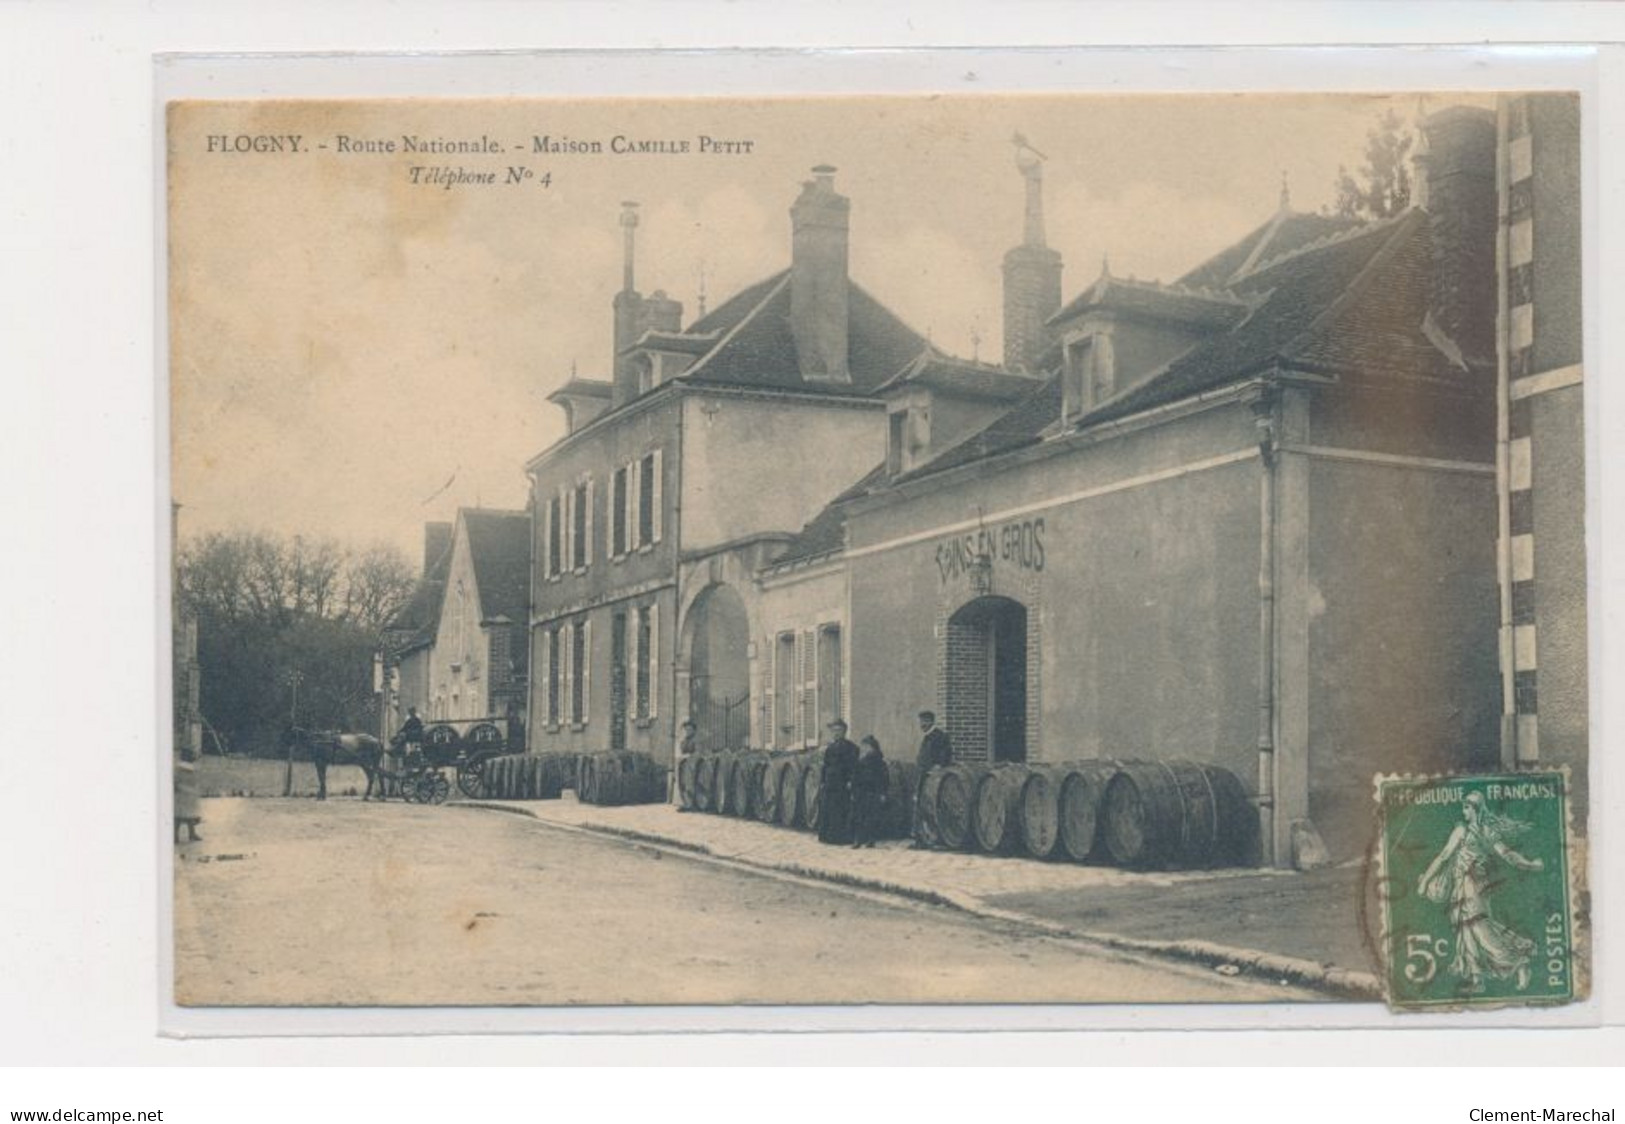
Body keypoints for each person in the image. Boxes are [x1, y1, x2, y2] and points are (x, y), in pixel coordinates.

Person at [1415, 790, 1544, 994]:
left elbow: (1444, 857)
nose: (1463, 810)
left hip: (1472, 886)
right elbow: (1445, 856)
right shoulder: (1477, 831)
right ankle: (1477, 980)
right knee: (1466, 929)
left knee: (1480, 929)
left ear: (1474, 809)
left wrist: (1529, 864)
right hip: (1464, 886)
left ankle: (1518, 961)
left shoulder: (1472, 831)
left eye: (1466, 807)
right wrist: (1529, 864)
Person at [816, 719, 860, 846]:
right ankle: (828, 837)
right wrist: (823, 781)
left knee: (841, 810)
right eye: (834, 731)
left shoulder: (851, 748)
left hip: (842, 783)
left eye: (838, 730)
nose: (836, 733)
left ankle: (841, 837)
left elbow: (854, 767)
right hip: (831, 783)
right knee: (828, 809)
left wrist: (851, 781)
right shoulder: (830, 748)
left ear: (844, 731)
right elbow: (826, 766)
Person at [912, 710, 952, 847]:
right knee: (921, 808)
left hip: (933, 779)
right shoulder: (927, 737)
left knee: (932, 807)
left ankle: (934, 839)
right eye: (921, 721)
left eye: (925, 721)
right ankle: (921, 839)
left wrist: (938, 766)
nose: (922, 724)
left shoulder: (939, 736)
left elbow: (945, 755)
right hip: (924, 777)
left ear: (931, 721)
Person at [851, 735, 888, 848]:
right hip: (861, 792)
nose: (864, 749)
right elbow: (855, 777)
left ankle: (869, 839)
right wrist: (854, 791)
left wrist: (882, 793)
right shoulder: (861, 761)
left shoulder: (879, 762)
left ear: (873, 748)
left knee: (871, 817)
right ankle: (859, 839)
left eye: (866, 746)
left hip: (873, 792)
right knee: (859, 816)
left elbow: (884, 779)